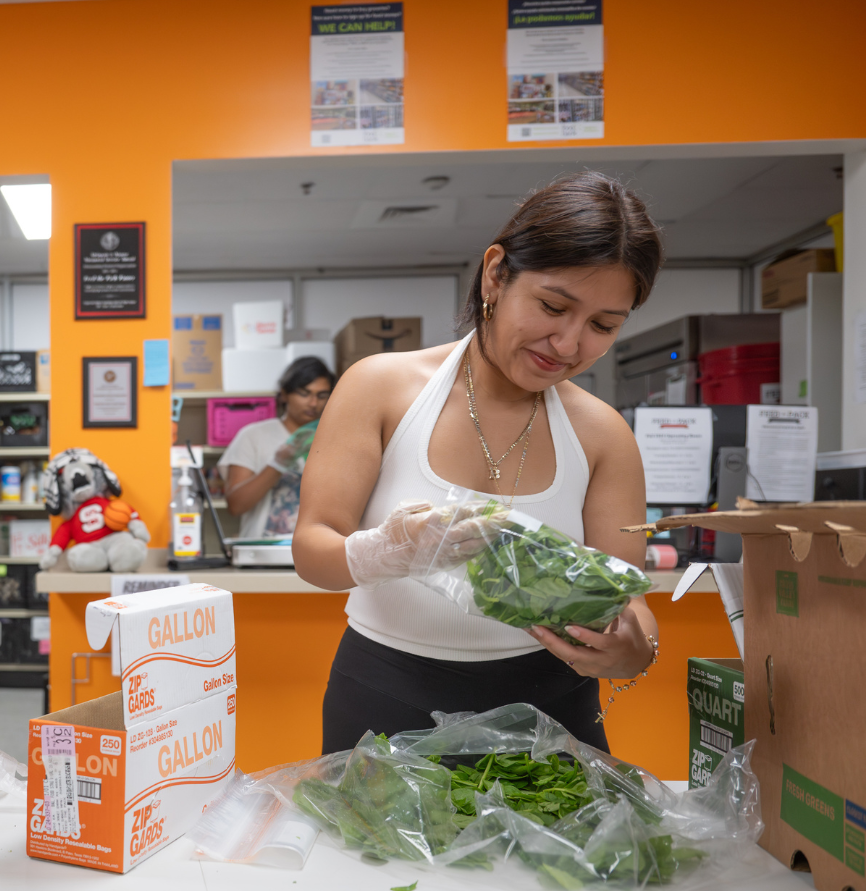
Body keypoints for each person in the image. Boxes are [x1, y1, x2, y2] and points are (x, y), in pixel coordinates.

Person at [294, 171, 662, 753]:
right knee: (369, 847)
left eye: (602, 326)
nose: (567, 344)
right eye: (552, 306)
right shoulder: (381, 388)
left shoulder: (603, 435)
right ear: (496, 273)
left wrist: (635, 648)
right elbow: (312, 550)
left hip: (551, 707)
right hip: (386, 691)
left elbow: (628, 601)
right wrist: (385, 551)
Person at [219, 356, 335, 539]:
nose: (313, 403)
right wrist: (278, 464)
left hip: (316, 553)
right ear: (284, 394)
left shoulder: (337, 439)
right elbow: (236, 506)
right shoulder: (254, 436)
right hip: (263, 557)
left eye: (322, 395)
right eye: (304, 394)